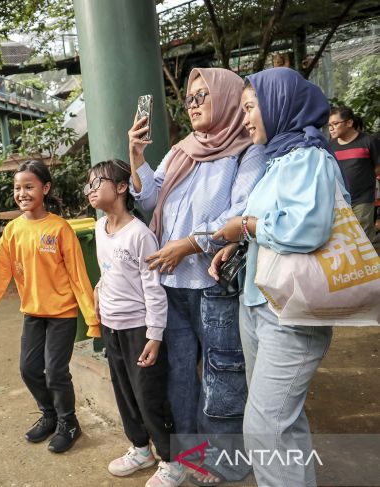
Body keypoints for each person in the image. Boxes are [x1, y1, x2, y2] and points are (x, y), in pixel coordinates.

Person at [127, 67, 266, 486]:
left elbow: (239, 214)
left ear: (225, 97)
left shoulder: (246, 151)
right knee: (181, 374)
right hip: (171, 284)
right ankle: (188, 457)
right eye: (190, 99)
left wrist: (189, 243)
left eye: (203, 96)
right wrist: (137, 158)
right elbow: (150, 197)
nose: (195, 105)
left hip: (213, 284)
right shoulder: (180, 150)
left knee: (223, 374)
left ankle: (225, 460)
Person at [211, 67, 347, 486]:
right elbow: (270, 222)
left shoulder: (309, 157)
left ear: (278, 105)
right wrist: (238, 243)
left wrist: (244, 227)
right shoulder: (279, 158)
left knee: (266, 427)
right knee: (281, 420)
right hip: (259, 304)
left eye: (251, 107)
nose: (246, 117)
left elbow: (306, 228)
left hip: (292, 313)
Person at [0, 160, 100, 454]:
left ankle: (69, 423)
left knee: (55, 371)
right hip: (32, 314)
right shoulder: (13, 231)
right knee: (29, 370)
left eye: (29, 186)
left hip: (62, 314)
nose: (22, 193)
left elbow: (79, 277)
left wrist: (91, 318)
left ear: (45, 188)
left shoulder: (60, 229)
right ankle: (50, 415)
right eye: (17, 188)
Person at [85, 159, 180, 487]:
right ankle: (141, 449)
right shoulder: (99, 228)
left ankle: (171, 460)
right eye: (89, 184)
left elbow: (153, 290)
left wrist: (154, 336)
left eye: (98, 183)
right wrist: (99, 290)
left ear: (122, 188)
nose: (91, 189)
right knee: (124, 390)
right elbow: (108, 269)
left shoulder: (140, 235)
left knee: (148, 394)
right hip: (111, 325)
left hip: (138, 329)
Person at [328, 106, 380, 252]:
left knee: (364, 238)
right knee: (344, 238)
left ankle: (370, 270)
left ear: (349, 123)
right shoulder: (331, 145)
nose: (331, 128)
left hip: (363, 199)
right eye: (329, 125)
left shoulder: (368, 141)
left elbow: (377, 167)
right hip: (339, 200)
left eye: (335, 124)